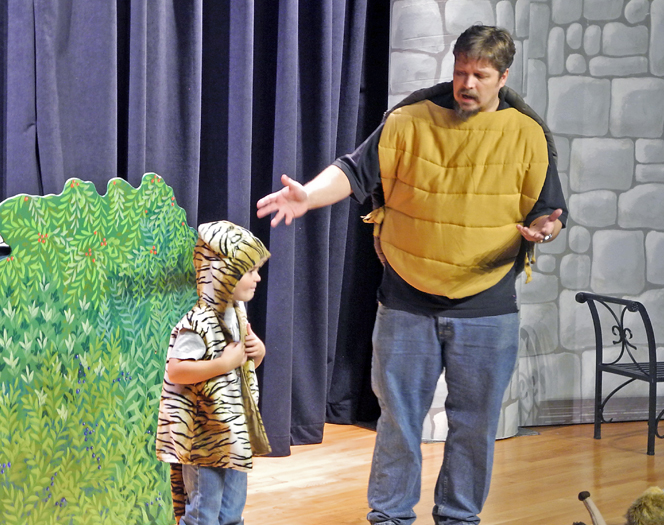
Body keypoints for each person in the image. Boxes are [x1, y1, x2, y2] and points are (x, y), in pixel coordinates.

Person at [257, 24, 567, 525]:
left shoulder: (527, 132)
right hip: (406, 302)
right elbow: (353, 171)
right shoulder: (409, 118)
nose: (467, 83)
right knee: (399, 422)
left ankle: (459, 518)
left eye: (480, 75)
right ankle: (390, 517)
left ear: (503, 77)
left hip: (487, 308)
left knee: (474, 427)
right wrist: (308, 196)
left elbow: (548, 211)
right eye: (461, 72)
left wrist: (545, 230)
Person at [156, 221, 271, 525]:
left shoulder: (237, 314)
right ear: (222, 272)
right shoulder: (199, 321)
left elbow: (238, 374)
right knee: (203, 513)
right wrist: (224, 363)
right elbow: (177, 371)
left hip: (233, 433)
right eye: (250, 270)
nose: (258, 278)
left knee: (231, 512)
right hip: (204, 438)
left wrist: (256, 353)